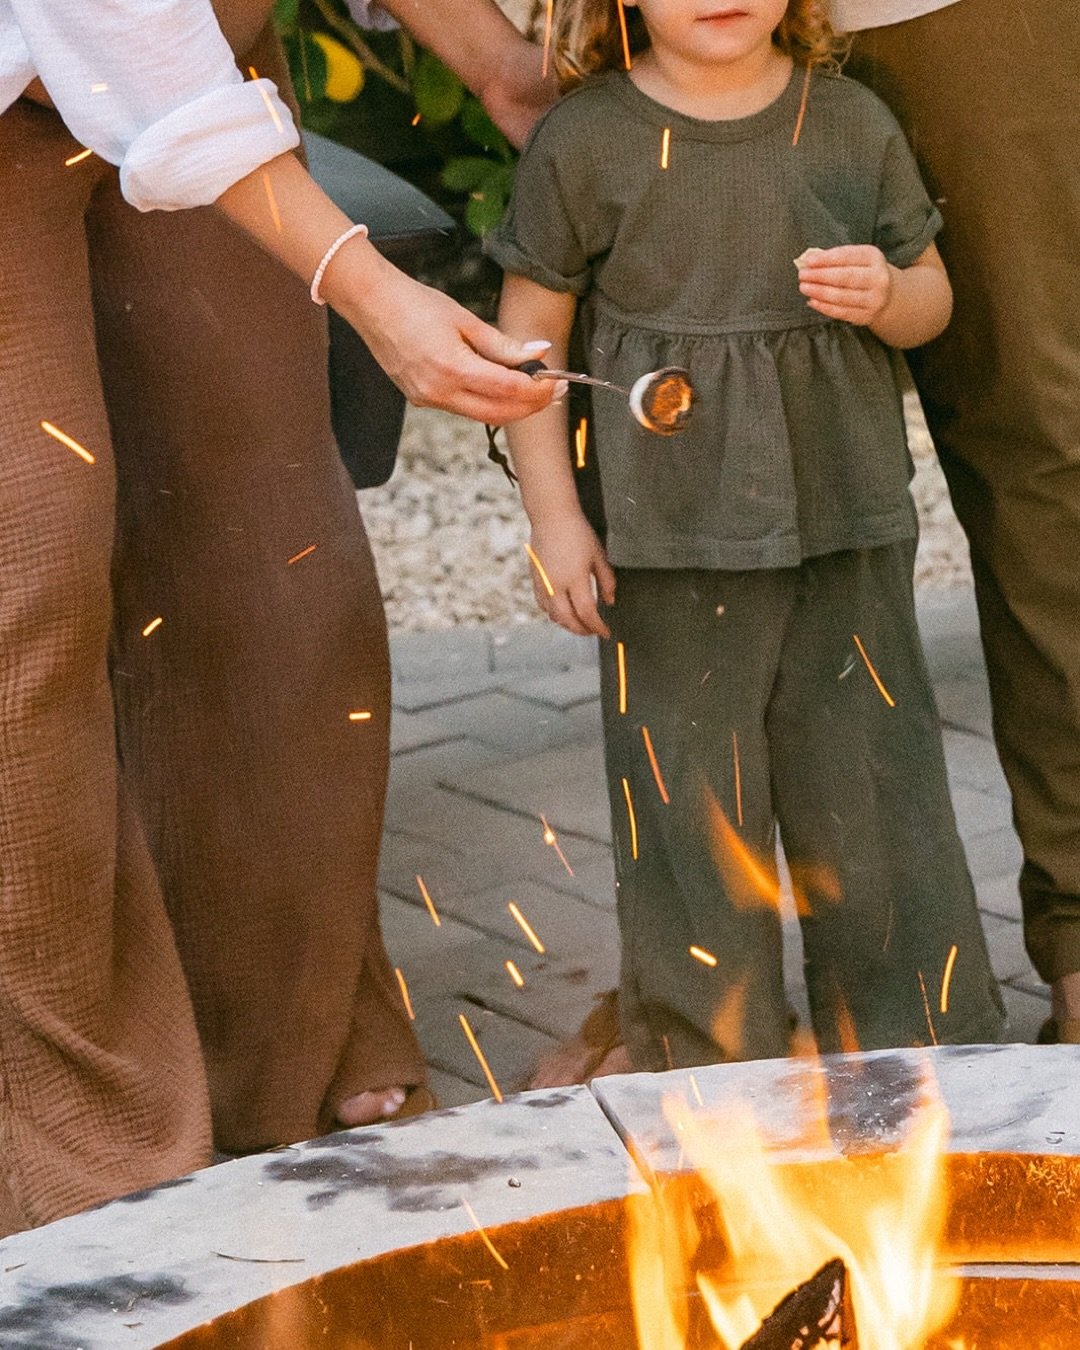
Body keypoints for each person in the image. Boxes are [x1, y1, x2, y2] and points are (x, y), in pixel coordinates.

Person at [0, 0, 561, 1235]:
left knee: (272, 542)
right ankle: (78, 1150)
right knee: (26, 579)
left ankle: (286, 1047)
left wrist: (501, 68)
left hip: (202, 48)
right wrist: (373, 293)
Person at [488, 0, 1006, 1070]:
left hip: (844, 527)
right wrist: (555, 519)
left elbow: (933, 298)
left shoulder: (849, 123)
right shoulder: (587, 144)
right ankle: (707, 1062)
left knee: (874, 790)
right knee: (687, 809)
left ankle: (918, 1044)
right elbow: (528, 348)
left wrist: (888, 294)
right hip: (664, 547)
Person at [832, 0, 1080, 1044]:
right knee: (705, 473)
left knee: (1045, 459)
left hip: (960, 14)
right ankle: (695, 989)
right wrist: (495, 60)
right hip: (657, 39)